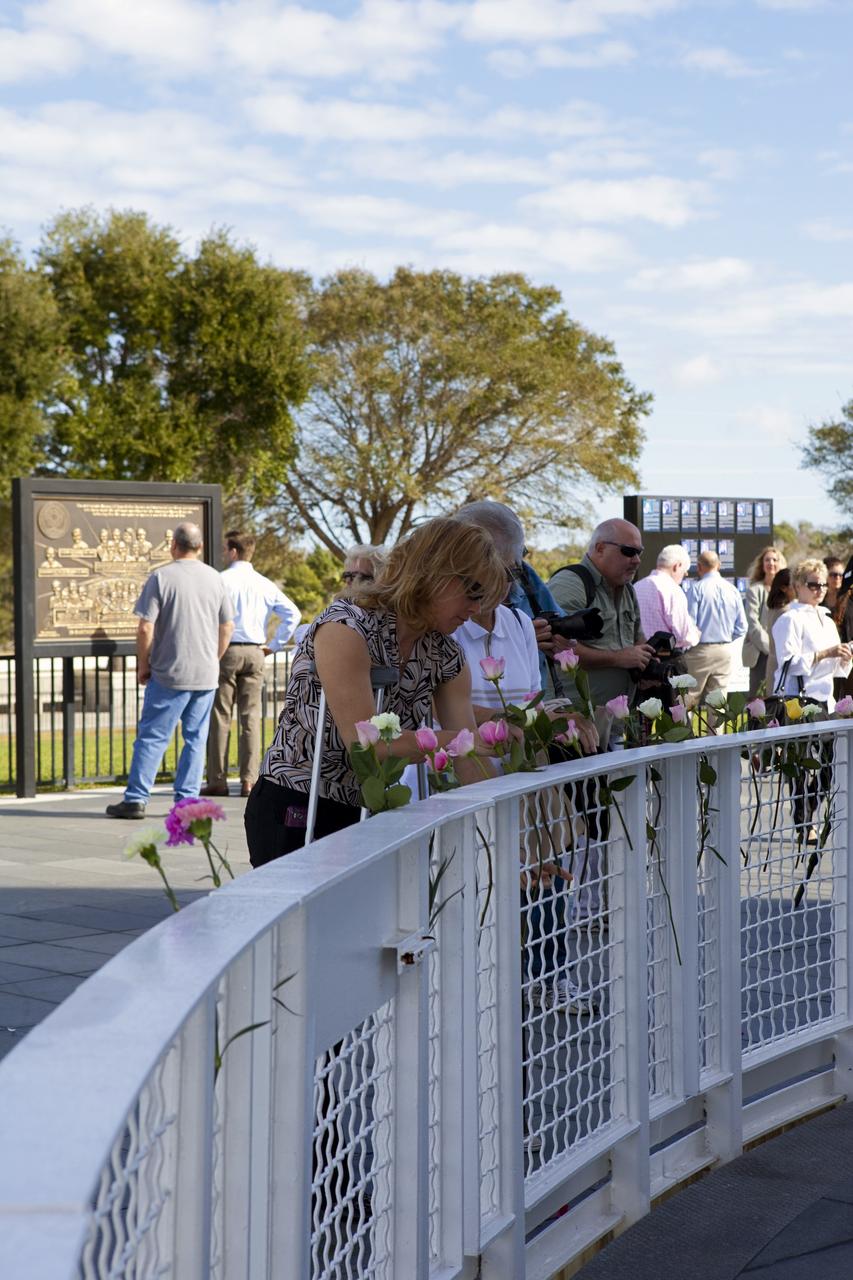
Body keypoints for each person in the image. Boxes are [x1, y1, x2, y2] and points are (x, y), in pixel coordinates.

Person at [243, 517, 507, 867]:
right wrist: (458, 740)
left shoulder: (445, 654)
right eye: (473, 593)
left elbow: (470, 762)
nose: (476, 610)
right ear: (434, 574)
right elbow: (366, 742)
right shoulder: (346, 626)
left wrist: (508, 848)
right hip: (298, 802)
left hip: (367, 806)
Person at [106, 522, 234, 818]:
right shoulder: (215, 579)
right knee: (196, 739)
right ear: (200, 547)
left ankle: (136, 798)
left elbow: (145, 626)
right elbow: (227, 625)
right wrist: (213, 658)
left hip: (169, 672)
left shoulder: (161, 577)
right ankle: (186, 801)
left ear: (174, 546)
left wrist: (143, 663)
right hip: (205, 674)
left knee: (152, 737)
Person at [202, 530, 302, 799]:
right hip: (256, 650)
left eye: (225, 549)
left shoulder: (220, 580)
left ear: (233, 551)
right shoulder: (264, 583)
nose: (223, 553)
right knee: (251, 717)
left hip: (226, 650)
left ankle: (218, 779)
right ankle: (249, 779)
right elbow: (293, 613)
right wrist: (275, 643)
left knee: (221, 715)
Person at [548, 518, 653, 742]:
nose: (636, 560)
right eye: (628, 551)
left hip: (614, 724)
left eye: (639, 552)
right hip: (574, 725)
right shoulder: (571, 583)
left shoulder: (628, 590)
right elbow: (558, 647)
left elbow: (637, 642)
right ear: (600, 548)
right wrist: (618, 659)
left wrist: (646, 664)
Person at [771, 559, 852, 840]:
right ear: (796, 587)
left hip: (825, 698)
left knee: (829, 762)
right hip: (798, 699)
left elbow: (837, 668)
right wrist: (826, 654)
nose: (819, 590)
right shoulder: (789, 619)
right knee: (801, 765)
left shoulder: (826, 619)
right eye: (812, 584)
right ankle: (804, 823)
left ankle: (809, 808)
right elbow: (788, 662)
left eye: (822, 584)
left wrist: (843, 657)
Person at [684, 550, 747, 704]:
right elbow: (742, 627)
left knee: (688, 701)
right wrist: (725, 639)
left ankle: (686, 729)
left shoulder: (696, 588)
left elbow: (689, 623)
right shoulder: (733, 590)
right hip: (724, 651)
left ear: (699, 567)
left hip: (699, 651)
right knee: (718, 705)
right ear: (718, 566)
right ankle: (716, 730)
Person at [633, 544, 700, 652]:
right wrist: (695, 635)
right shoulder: (673, 590)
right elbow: (682, 635)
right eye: (685, 571)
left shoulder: (636, 587)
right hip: (665, 658)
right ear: (677, 566)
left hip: (637, 656)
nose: (685, 575)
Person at [742, 546, 786, 698]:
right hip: (761, 653)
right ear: (762, 564)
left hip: (783, 652)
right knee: (758, 699)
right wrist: (771, 648)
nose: (771, 563)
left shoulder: (788, 591)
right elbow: (752, 623)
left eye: (775, 559)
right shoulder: (755, 590)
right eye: (767, 559)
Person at [764, 569, 795, 694]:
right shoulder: (786, 611)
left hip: (773, 664)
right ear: (783, 588)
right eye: (794, 585)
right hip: (781, 666)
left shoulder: (775, 608)